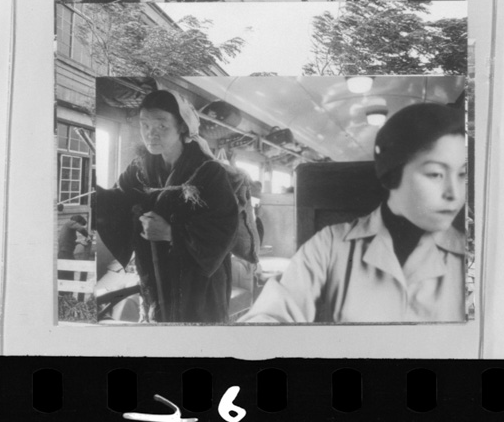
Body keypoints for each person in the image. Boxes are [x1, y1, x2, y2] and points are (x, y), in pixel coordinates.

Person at [240, 102, 467, 324]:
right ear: (393, 175)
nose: (454, 194)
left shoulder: (474, 260)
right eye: (435, 174)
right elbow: (275, 313)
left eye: (462, 174)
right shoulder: (329, 246)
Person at [96, 89, 243, 324]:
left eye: (161, 125)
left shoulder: (208, 171)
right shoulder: (139, 169)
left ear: (182, 127)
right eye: (145, 125)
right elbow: (118, 202)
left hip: (198, 281)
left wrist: (170, 233)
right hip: (154, 275)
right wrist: (93, 196)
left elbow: (224, 229)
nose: (150, 133)